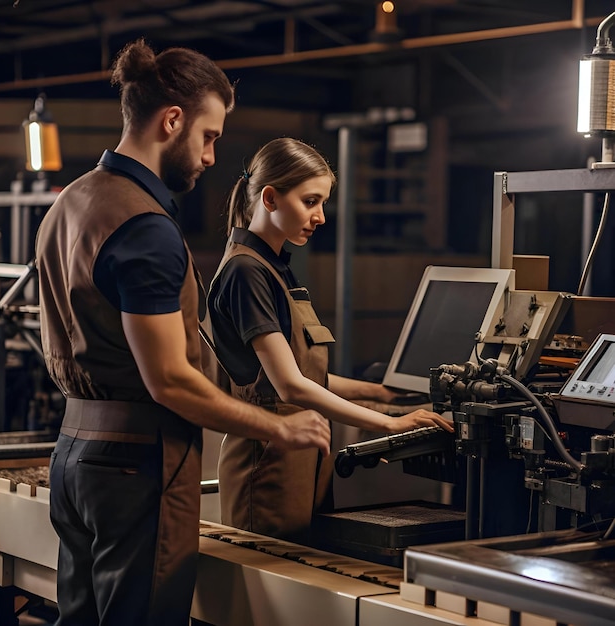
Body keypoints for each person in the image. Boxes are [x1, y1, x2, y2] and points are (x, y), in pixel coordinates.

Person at [35, 41, 330, 626]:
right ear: (172, 120)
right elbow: (170, 380)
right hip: (136, 464)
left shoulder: (70, 201)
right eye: (209, 136)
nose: (213, 156)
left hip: (72, 457)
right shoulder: (145, 225)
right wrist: (278, 424)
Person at [207, 137, 453, 543]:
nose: (321, 216)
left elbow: (304, 374)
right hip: (269, 457)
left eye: (322, 202)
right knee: (278, 589)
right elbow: (288, 386)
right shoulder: (246, 272)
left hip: (301, 452)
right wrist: (390, 423)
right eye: (310, 201)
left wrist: (382, 392)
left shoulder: (273, 268)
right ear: (270, 198)